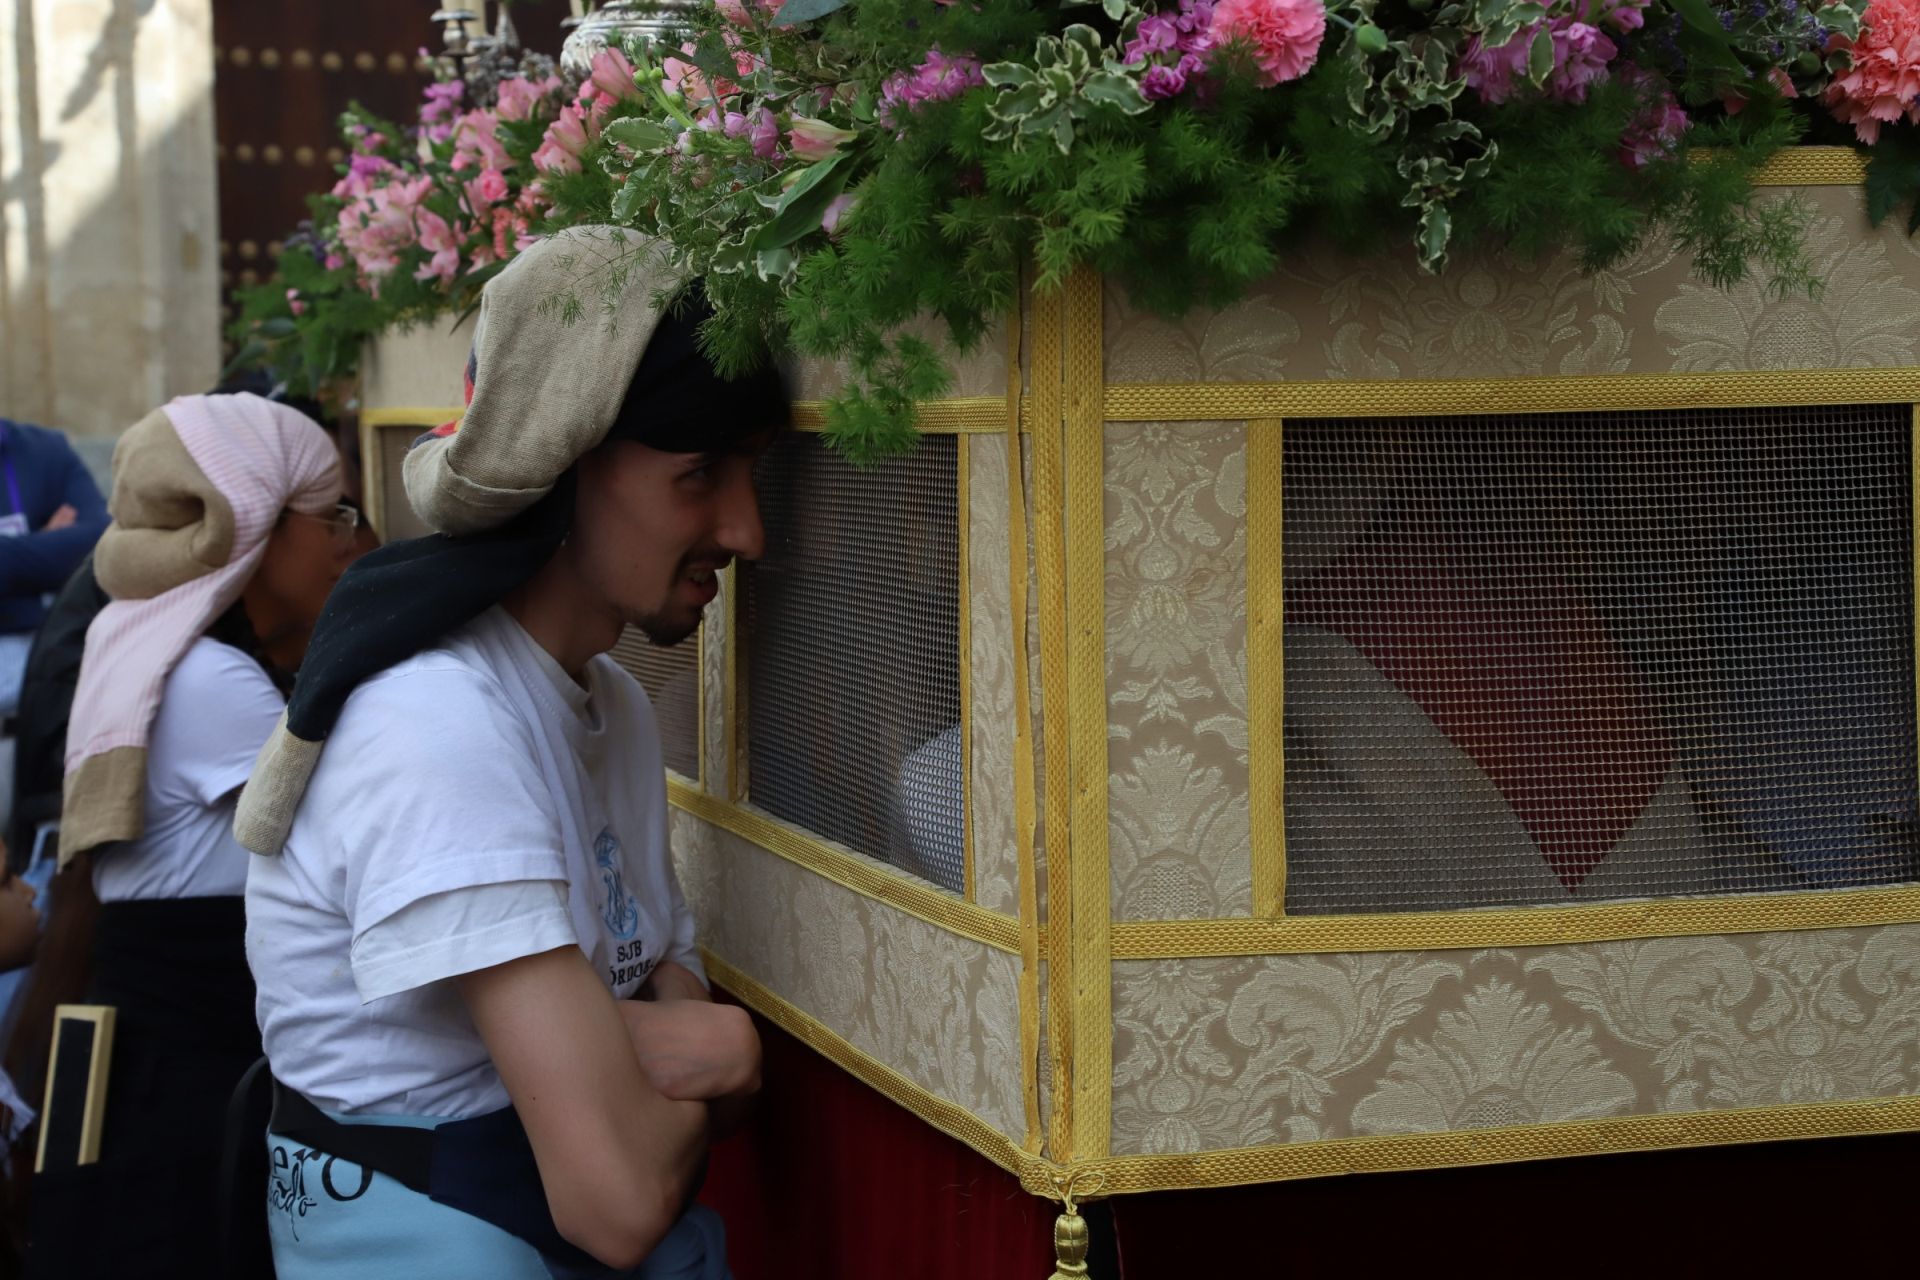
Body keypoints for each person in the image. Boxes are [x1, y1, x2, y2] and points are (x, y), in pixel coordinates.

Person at [235, 227, 775, 1278]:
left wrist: (687, 1050)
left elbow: (672, 995)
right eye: (700, 474)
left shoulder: (607, 702)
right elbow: (616, 1198)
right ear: (562, 465)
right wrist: (709, 1049)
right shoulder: (438, 723)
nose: (749, 529)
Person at [27, 393, 357, 1277]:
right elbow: (355, 836)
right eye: (331, 516)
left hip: (157, 1046)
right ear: (253, 524)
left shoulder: (152, 648)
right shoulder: (211, 679)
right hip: (192, 1071)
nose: (348, 544)